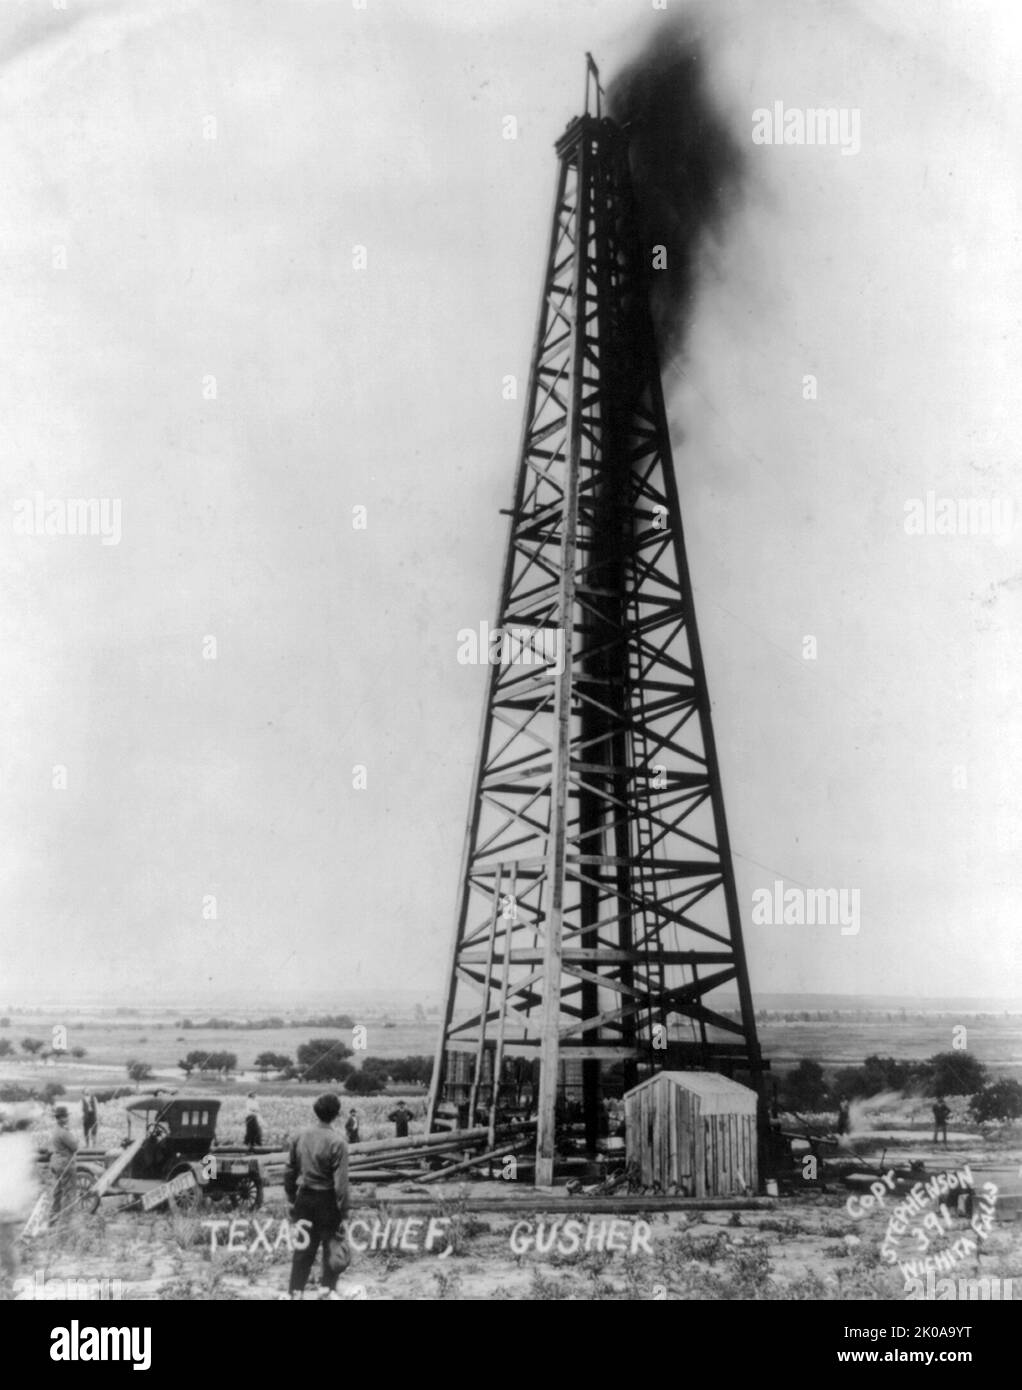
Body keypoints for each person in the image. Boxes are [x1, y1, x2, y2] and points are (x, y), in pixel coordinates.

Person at [283, 1093, 350, 1300]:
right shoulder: (338, 1142)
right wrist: (345, 1213)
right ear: (337, 1114)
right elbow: (341, 1184)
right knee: (331, 1248)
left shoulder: (299, 1136)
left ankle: (296, 1293)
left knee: (303, 1249)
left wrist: (291, 1198)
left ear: (316, 1111)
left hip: (305, 1199)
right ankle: (326, 1292)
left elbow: (289, 1170)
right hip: (328, 1201)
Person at [48, 1105, 79, 1221]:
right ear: (61, 1118)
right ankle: (67, 1221)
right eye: (66, 1116)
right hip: (65, 1164)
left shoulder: (56, 1130)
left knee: (58, 1192)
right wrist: (74, 1137)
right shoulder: (64, 1132)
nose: (68, 1118)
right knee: (69, 1192)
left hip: (56, 1163)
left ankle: (53, 1217)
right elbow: (75, 1147)